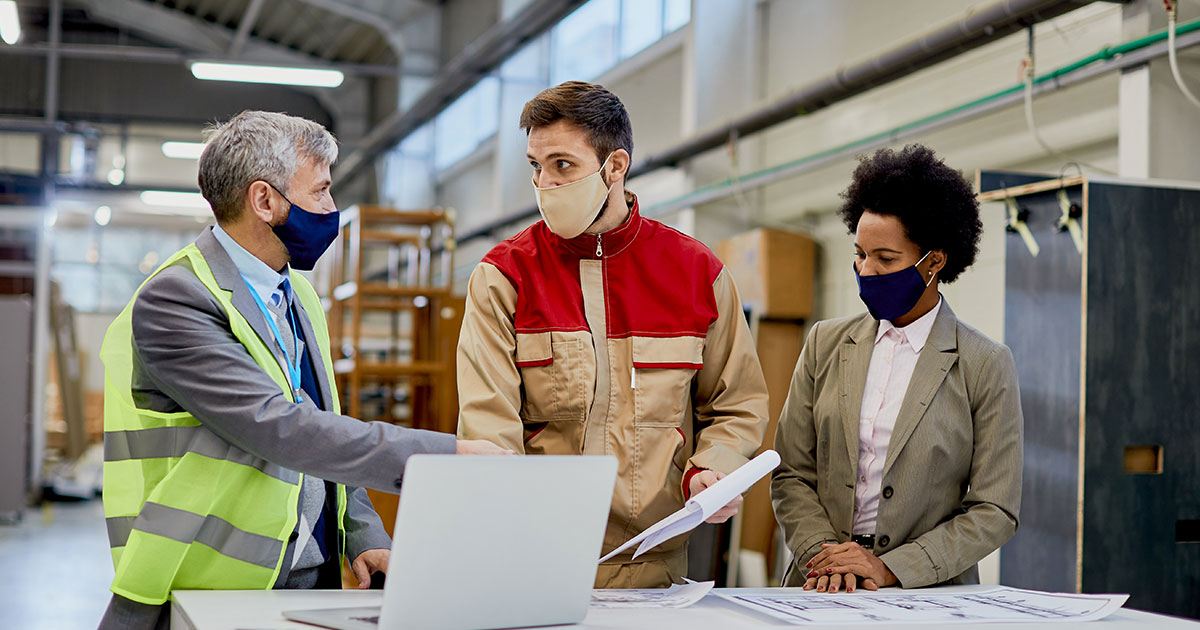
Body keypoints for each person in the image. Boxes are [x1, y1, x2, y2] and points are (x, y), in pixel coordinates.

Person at [98, 111, 508, 630]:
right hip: (203, 587)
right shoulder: (177, 300)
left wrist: (363, 533)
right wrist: (445, 456)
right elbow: (281, 428)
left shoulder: (297, 295)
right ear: (265, 201)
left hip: (304, 581)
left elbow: (323, 422)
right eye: (321, 192)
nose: (331, 209)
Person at [455, 81, 769, 589]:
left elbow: (737, 404)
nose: (545, 184)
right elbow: (489, 430)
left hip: (652, 568)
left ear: (615, 167)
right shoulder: (504, 276)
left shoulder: (696, 273)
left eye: (563, 166)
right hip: (534, 562)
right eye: (536, 166)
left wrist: (713, 467)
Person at [771, 144, 1023, 593]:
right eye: (860, 254)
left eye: (886, 259)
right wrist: (827, 558)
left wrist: (892, 568)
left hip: (927, 593)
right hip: (821, 586)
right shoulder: (825, 344)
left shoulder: (984, 363)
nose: (866, 271)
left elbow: (994, 509)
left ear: (935, 262)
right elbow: (791, 472)